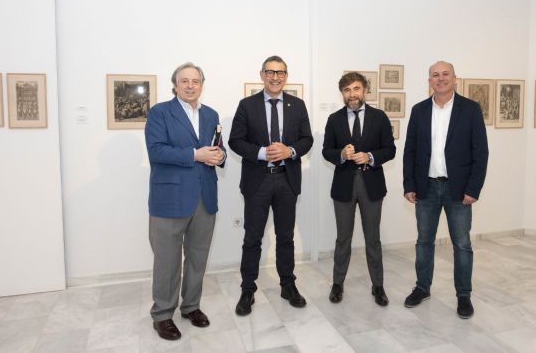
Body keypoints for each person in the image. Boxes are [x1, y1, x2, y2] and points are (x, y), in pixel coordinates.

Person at [144, 62, 226, 340]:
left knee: (198, 257)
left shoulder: (211, 114)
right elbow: (156, 151)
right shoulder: (159, 112)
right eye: (184, 81)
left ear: (202, 85)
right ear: (175, 85)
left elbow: (217, 147)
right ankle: (162, 315)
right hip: (170, 199)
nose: (190, 85)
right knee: (167, 261)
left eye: (195, 81)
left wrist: (220, 156)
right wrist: (195, 155)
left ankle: (191, 306)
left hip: (204, 197)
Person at [402, 60, 488, 319]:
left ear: (455, 78)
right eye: (435, 75)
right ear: (429, 81)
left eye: (445, 74)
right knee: (423, 242)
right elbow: (410, 151)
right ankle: (422, 288)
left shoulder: (470, 109)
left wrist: (473, 188)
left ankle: (464, 295)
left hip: (458, 189)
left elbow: (481, 153)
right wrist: (409, 184)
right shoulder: (419, 110)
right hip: (426, 187)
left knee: (462, 245)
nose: (440, 79)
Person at [229, 55, 313, 316]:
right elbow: (235, 141)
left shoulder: (297, 105)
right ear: (262, 75)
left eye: (280, 73)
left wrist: (290, 151)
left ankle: (288, 285)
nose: (275, 77)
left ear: (286, 76)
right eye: (270, 72)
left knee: (285, 237)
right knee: (252, 238)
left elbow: (307, 140)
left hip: (287, 180)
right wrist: (262, 153)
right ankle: (247, 289)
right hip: (258, 181)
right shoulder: (247, 105)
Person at [322, 72, 396, 306]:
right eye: (347, 90)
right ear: (342, 94)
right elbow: (326, 151)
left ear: (365, 90)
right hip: (343, 187)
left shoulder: (379, 117)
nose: (352, 94)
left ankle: (378, 286)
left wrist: (370, 156)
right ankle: (337, 284)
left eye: (356, 89)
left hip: (371, 186)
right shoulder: (334, 119)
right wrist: (341, 155)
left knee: (373, 239)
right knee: (343, 238)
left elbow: (390, 149)